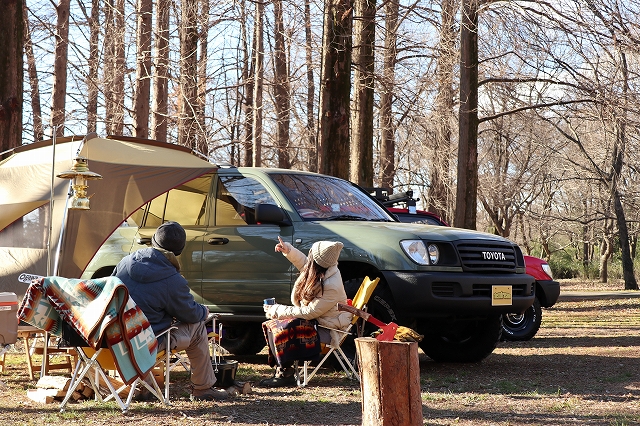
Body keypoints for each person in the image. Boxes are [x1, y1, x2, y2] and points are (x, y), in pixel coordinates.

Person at [112, 221, 228, 401]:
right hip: (146, 344)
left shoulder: (125, 262)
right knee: (197, 326)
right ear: (179, 251)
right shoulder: (172, 280)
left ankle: (144, 386)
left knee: (146, 324)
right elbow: (189, 314)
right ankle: (203, 388)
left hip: (115, 338)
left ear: (153, 241)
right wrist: (204, 311)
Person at [260, 237, 352, 387]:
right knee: (272, 324)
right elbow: (306, 264)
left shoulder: (332, 285)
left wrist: (277, 309)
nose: (309, 256)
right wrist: (289, 251)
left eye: (311, 254)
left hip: (329, 329)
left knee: (284, 328)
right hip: (318, 322)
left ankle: (286, 373)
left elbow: (309, 312)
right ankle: (282, 369)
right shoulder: (324, 268)